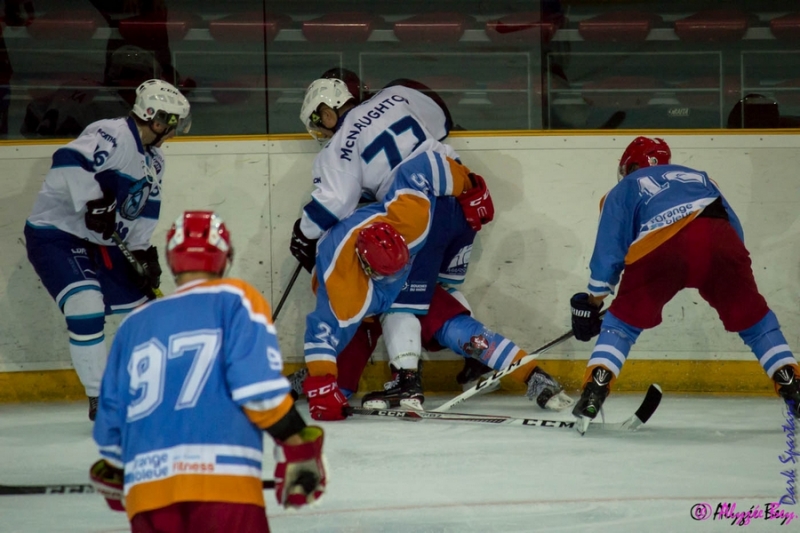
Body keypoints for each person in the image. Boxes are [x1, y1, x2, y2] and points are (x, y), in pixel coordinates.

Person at [90, 210, 327, 532]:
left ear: (172, 262)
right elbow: (256, 388)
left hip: (148, 495)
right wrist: (298, 447)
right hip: (224, 489)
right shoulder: (235, 299)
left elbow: (110, 426)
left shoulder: (134, 323)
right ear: (225, 258)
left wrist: (119, 469)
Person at [302, 149, 571, 421]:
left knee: (444, 321)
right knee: (346, 372)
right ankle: (406, 378)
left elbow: (424, 165)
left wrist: (470, 185)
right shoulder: (342, 289)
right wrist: (321, 383)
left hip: (417, 255)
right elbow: (320, 333)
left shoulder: (408, 220)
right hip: (363, 300)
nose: (392, 279)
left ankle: (530, 374)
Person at [569, 136, 800, 433]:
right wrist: (731, 273)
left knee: (622, 324)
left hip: (660, 247)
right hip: (720, 241)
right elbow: (734, 228)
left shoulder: (623, 188)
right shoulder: (702, 178)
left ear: (632, 165)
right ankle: (791, 386)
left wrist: (594, 301)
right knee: (755, 322)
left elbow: (609, 253)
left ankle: (594, 392)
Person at [293, 72, 496, 404]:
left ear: (328, 110)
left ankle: (407, 381)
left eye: (320, 120)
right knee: (438, 289)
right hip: (462, 198)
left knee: (399, 298)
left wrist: (303, 233)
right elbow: (441, 122)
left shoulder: (340, 143)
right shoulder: (398, 95)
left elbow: (335, 201)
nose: (323, 130)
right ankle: (475, 361)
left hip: (418, 211)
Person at [23, 79, 190, 421]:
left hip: (102, 242)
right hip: (57, 234)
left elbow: (142, 211)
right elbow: (68, 159)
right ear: (154, 118)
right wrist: (94, 201)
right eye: (171, 122)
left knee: (147, 315)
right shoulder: (111, 133)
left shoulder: (155, 161)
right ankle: (101, 399)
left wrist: (142, 254)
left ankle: (155, 388)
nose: (174, 131)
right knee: (85, 306)